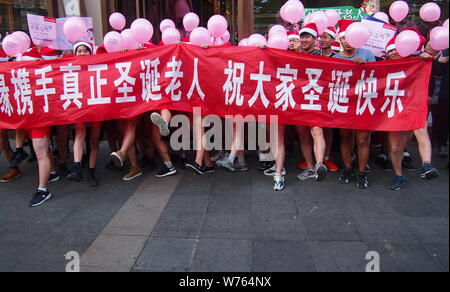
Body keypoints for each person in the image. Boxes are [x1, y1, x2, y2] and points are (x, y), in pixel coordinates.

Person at [333, 20, 376, 189]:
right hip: (344, 103)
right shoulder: (335, 58)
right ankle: (347, 168)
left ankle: (362, 172)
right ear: (341, 40)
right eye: (343, 38)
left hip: (363, 103)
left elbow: (379, 77)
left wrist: (366, 67)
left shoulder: (367, 54)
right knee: (345, 137)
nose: (346, 41)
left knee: (363, 139)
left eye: (349, 38)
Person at [295, 23, 328, 182]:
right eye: (302, 36)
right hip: (297, 100)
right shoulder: (294, 54)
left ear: (315, 39)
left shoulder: (323, 55)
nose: (303, 39)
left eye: (307, 36)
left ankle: (319, 165)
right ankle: (309, 167)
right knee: (303, 135)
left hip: (315, 99)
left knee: (316, 130)